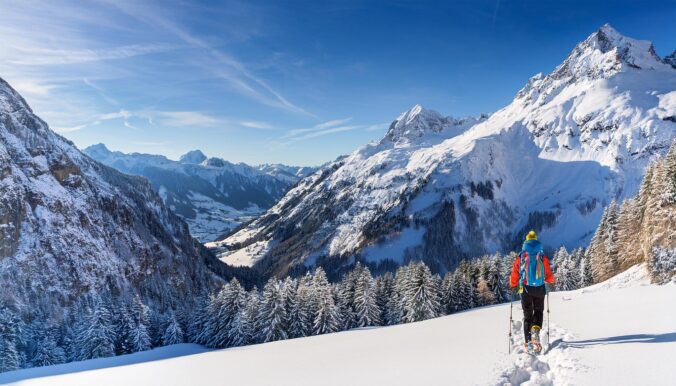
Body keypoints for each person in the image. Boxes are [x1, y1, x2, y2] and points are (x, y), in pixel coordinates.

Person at [509, 230, 555, 353]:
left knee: (527, 315)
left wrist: (513, 285)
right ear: (536, 240)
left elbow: (515, 272)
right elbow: (548, 274)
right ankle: (535, 330)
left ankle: (528, 342)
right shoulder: (541, 255)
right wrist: (550, 281)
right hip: (539, 289)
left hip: (526, 289)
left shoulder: (522, 256)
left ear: (526, 240)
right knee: (539, 311)